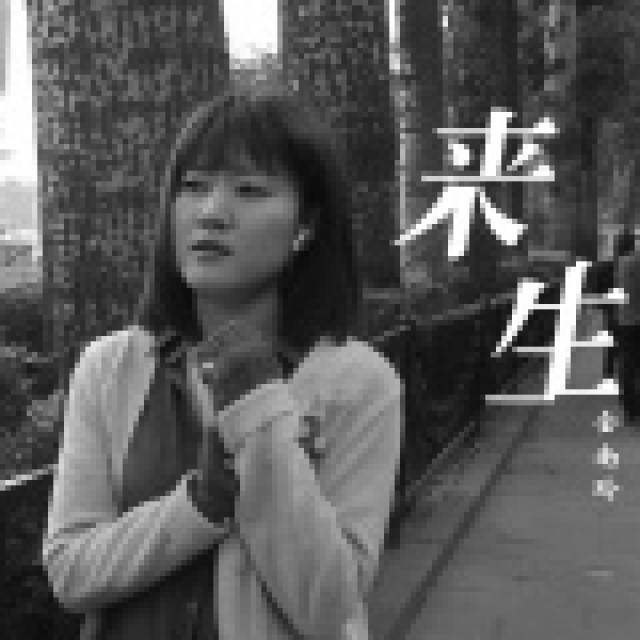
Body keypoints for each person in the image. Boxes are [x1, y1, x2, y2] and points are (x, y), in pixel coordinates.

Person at [42, 84, 403, 640]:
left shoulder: (359, 383)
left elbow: (332, 609)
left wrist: (258, 411)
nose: (211, 212)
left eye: (250, 190)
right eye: (193, 186)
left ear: (306, 225)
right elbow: (70, 571)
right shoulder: (109, 367)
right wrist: (199, 505)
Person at [614, 227, 640, 423]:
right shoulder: (635, 261)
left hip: (624, 319)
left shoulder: (620, 264)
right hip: (637, 318)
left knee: (627, 361)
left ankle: (629, 405)